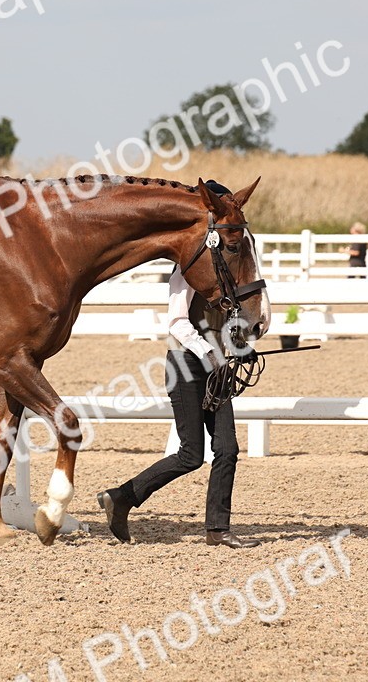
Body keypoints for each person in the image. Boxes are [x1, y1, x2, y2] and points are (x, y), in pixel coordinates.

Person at [96, 180, 261, 549]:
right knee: (190, 455)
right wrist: (211, 354)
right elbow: (178, 324)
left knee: (228, 449)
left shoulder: (222, 273)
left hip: (215, 366)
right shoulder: (186, 269)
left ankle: (218, 530)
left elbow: (226, 321)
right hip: (185, 364)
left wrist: (239, 346)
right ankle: (122, 497)